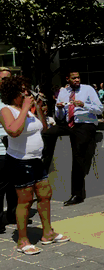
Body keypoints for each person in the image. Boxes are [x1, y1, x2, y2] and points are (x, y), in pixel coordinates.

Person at [0, 76, 70, 255]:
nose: (27, 93)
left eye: (27, 90)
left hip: (36, 159)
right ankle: (22, 240)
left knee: (45, 195)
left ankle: (48, 233)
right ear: (13, 93)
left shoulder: (28, 111)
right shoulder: (7, 110)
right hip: (20, 161)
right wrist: (25, 109)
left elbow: (44, 128)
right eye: (23, 91)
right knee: (25, 200)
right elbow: (13, 131)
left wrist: (37, 109)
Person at [41, 70, 103, 206]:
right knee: (47, 133)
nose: (77, 80)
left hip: (85, 123)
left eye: (78, 77)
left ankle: (77, 194)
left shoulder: (88, 89)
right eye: (74, 78)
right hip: (68, 123)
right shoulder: (63, 92)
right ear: (67, 79)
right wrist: (59, 109)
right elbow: (59, 115)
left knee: (77, 154)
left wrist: (84, 105)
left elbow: (100, 110)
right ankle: (44, 166)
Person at [0, 67, 16, 234]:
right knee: (0, 188)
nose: (6, 82)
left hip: (15, 149)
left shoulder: (13, 99)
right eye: (3, 79)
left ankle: (13, 215)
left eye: (8, 79)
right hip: (1, 150)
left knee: (14, 186)